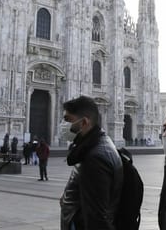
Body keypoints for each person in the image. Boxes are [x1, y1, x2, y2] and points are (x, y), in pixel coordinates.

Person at [59, 96, 123, 230]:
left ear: (84, 122)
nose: (62, 125)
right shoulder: (94, 145)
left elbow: (97, 217)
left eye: (67, 120)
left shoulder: (95, 158)